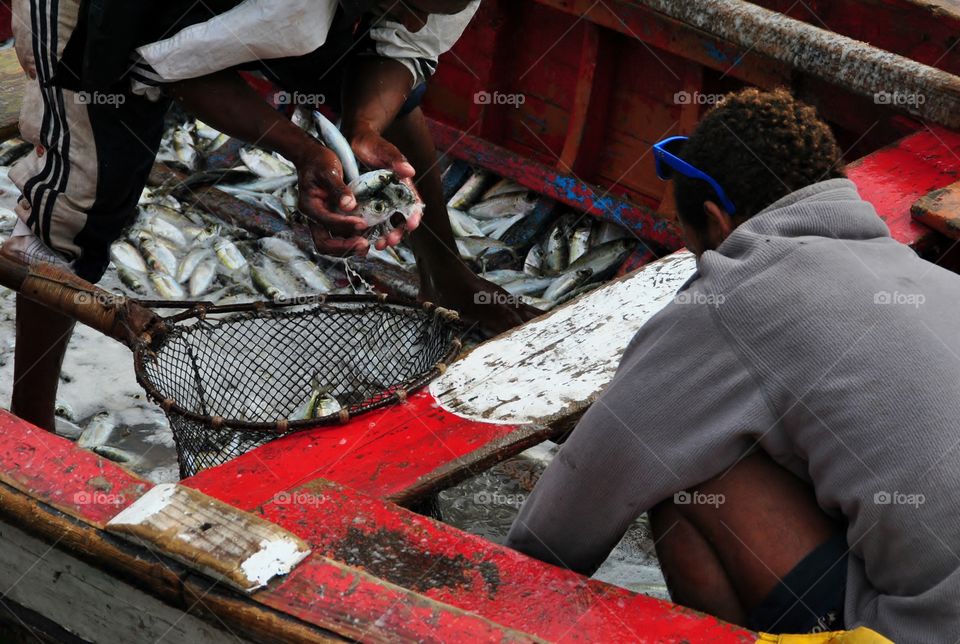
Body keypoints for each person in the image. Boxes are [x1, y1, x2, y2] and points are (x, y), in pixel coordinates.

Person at [505, 88, 960, 639]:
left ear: (718, 223)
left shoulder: (738, 295)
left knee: (688, 482)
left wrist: (492, 595)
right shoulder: (936, 281)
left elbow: (560, 528)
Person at [1, 0, 538, 433]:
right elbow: (161, 70)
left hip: (271, 14)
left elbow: (402, 46)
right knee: (82, 205)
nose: (422, 19)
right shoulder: (289, 11)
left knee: (378, 77)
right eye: (412, 6)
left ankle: (446, 276)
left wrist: (362, 133)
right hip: (102, 14)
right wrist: (302, 150)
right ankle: (31, 421)